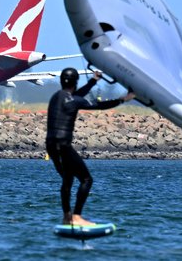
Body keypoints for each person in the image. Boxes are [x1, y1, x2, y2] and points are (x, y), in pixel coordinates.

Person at [46, 68, 136, 226]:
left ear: (61, 81)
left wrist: (94, 81)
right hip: (63, 145)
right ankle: (77, 216)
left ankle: (67, 216)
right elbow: (99, 105)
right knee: (86, 180)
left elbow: (75, 96)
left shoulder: (56, 97)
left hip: (51, 145)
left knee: (68, 179)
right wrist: (123, 99)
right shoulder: (75, 100)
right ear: (75, 82)